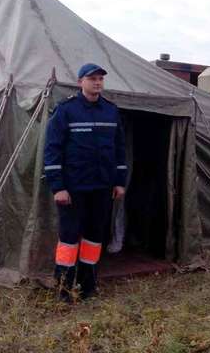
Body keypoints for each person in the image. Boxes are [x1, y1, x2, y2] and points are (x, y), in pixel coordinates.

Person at [44, 63, 127, 300]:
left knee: (94, 237)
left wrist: (119, 181)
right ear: (80, 82)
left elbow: (119, 149)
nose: (97, 82)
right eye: (92, 79)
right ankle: (63, 289)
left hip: (102, 187)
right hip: (73, 188)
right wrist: (58, 187)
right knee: (69, 239)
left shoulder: (111, 111)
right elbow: (52, 150)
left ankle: (87, 287)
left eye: (100, 79)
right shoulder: (66, 110)